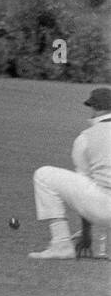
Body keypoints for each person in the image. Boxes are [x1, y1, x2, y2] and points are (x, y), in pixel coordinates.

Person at [26, 88, 111, 259]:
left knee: (43, 175)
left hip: (103, 208)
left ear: (94, 108)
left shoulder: (85, 137)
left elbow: (84, 183)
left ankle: (61, 244)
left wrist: (86, 233)